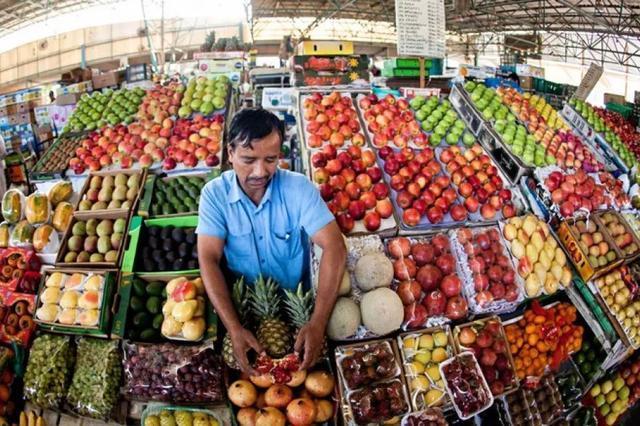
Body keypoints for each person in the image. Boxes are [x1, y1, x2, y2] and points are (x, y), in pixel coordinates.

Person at [197, 108, 346, 375]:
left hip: (300, 311)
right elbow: (208, 258)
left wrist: (318, 321)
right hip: (244, 314)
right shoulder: (214, 195)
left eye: (270, 159)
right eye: (248, 159)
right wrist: (233, 327)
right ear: (230, 153)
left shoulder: (298, 188)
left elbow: (334, 245)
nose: (260, 171)